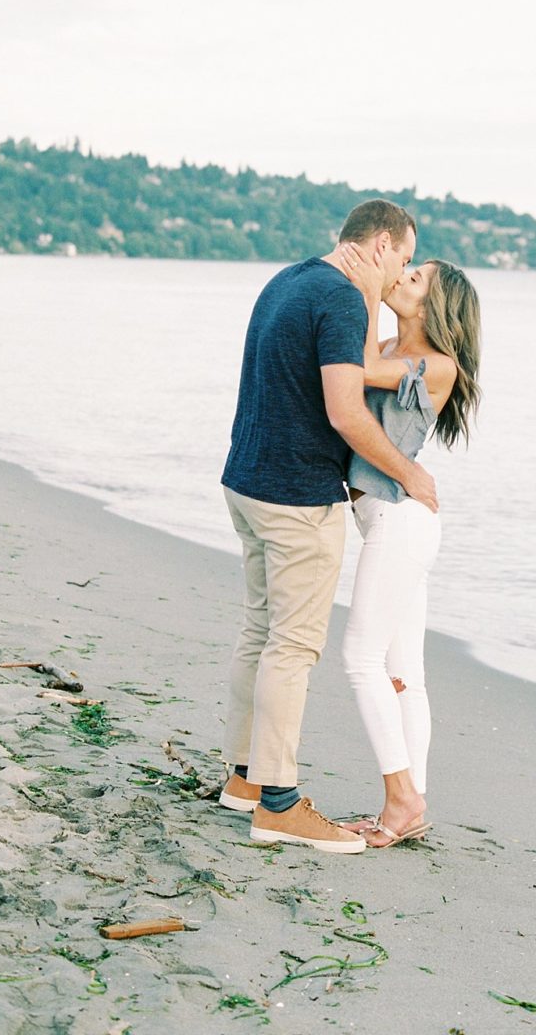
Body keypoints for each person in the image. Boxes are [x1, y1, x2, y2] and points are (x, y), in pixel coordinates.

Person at [218, 199, 438, 854]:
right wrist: (411, 474)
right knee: (291, 648)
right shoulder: (345, 301)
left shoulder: (289, 279)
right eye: (401, 257)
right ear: (377, 246)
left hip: (246, 480)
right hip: (295, 497)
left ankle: (245, 780)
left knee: (260, 634)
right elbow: (345, 413)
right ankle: (279, 804)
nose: (399, 272)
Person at [335, 242, 481, 849]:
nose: (402, 275)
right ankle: (411, 804)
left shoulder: (437, 363)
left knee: (360, 660)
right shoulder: (397, 350)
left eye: (413, 275)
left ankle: (403, 801)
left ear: (433, 303)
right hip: (388, 520)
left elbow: (360, 367)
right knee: (403, 675)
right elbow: (370, 360)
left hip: (401, 522)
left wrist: (368, 284)